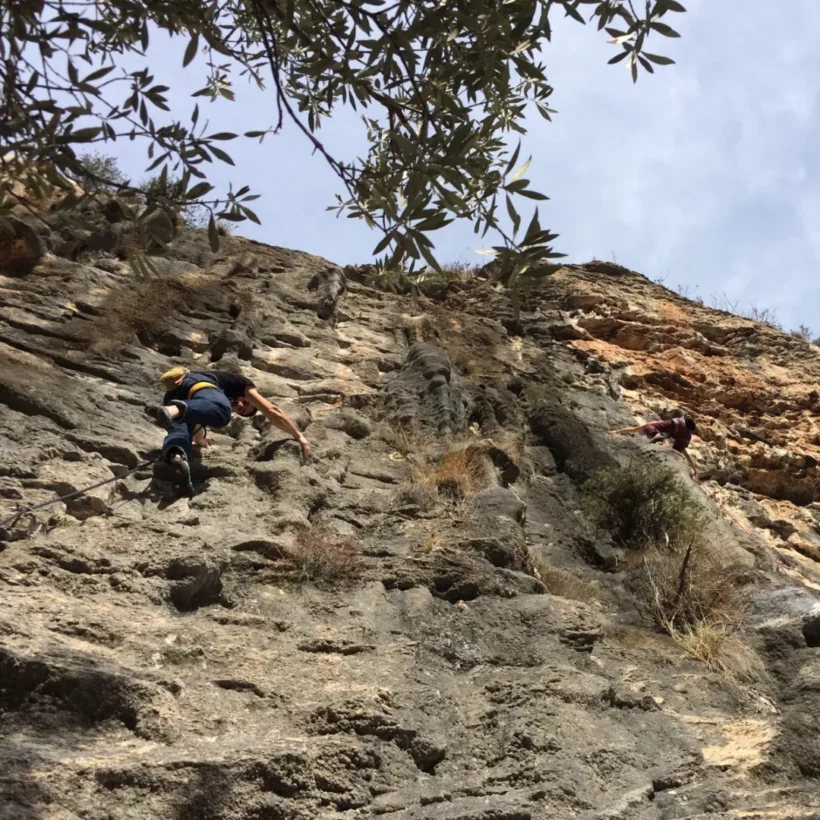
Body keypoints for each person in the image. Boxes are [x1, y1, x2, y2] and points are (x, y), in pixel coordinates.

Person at [156, 367, 310, 495]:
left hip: (174, 395)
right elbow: (272, 410)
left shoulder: (204, 405)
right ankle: (173, 411)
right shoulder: (244, 386)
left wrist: (202, 441)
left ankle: (175, 456)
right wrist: (298, 435)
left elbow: (196, 432)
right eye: (246, 403)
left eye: (242, 410)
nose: (241, 404)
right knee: (223, 413)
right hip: (197, 384)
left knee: (181, 429)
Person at [610, 416, 698, 478]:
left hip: (667, 427)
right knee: (676, 453)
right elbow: (686, 454)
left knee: (649, 427)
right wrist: (694, 469)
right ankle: (662, 443)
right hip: (681, 438)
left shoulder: (678, 422)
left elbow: (636, 428)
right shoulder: (687, 435)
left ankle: (659, 438)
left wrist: (617, 431)